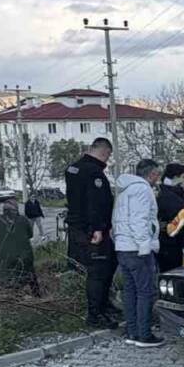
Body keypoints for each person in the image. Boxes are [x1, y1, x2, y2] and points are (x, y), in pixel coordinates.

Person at [65, 137, 119, 329]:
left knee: (106, 265)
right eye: (108, 156)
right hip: (92, 231)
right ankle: (96, 315)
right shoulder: (93, 172)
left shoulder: (73, 168)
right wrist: (98, 228)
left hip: (77, 228)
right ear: (105, 153)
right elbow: (95, 203)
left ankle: (103, 306)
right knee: (99, 271)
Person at [113, 158, 164, 347]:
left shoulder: (125, 190)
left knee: (130, 291)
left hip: (123, 247)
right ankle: (144, 335)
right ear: (152, 173)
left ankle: (132, 332)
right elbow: (139, 220)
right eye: (157, 174)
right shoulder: (142, 189)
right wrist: (145, 246)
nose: (158, 178)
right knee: (145, 292)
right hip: (137, 249)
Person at [0, 197, 40, 297]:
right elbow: (30, 234)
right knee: (30, 275)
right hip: (24, 254)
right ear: (16, 209)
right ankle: (36, 295)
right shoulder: (23, 220)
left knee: (9, 276)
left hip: (6, 255)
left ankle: (13, 297)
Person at [156, 163, 184, 272]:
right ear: (175, 178)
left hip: (166, 244)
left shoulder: (165, 193)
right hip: (171, 245)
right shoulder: (171, 198)